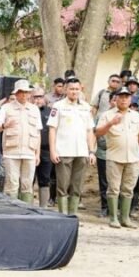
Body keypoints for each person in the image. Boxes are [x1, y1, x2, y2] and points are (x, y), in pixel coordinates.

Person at [96, 87, 139, 228]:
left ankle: (125, 218)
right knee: (113, 188)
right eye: (121, 96)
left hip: (133, 158)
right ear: (116, 98)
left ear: (130, 99)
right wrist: (111, 123)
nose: (124, 99)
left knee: (128, 189)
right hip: (114, 157)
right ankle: (113, 218)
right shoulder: (107, 115)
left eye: (127, 97)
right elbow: (98, 132)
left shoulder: (136, 116)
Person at [47, 77, 95, 215]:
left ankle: (72, 215)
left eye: (77, 89)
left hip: (81, 151)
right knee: (62, 185)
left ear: (81, 89)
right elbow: (52, 129)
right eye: (71, 89)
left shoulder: (86, 107)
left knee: (77, 186)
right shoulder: (58, 106)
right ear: (66, 90)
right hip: (63, 150)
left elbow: (90, 131)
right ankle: (63, 215)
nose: (74, 92)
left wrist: (91, 151)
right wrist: (53, 151)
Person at [0, 80, 41, 202]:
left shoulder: (34, 109)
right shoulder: (6, 108)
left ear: (29, 93)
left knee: (27, 185)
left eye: (26, 92)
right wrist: (5, 125)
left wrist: (37, 154)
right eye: (21, 92)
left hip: (29, 152)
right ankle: (11, 210)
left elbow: (38, 133)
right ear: (16, 93)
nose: (24, 95)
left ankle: (27, 210)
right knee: (12, 184)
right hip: (11, 153)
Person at [31, 86, 53, 208]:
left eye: (40, 97)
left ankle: (43, 207)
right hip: (30, 149)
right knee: (28, 179)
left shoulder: (50, 112)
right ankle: (27, 206)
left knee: (45, 179)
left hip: (46, 150)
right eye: (35, 97)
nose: (38, 99)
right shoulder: (28, 111)